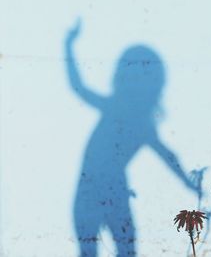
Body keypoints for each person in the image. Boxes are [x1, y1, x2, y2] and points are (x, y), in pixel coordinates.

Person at [65, 20, 201, 256]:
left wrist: (189, 183)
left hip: (106, 190)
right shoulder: (128, 114)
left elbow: (168, 155)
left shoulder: (135, 119)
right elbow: (79, 87)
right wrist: (68, 45)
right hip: (95, 190)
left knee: (121, 250)